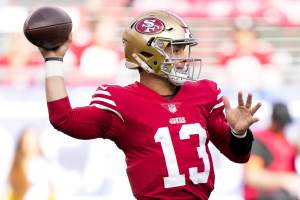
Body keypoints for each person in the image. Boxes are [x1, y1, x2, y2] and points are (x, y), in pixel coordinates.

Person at [38, 10, 261, 199]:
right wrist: (53, 61)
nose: (183, 56)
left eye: (184, 48)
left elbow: (239, 156)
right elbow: (64, 119)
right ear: (147, 53)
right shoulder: (122, 101)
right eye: (175, 49)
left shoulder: (204, 93)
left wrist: (239, 133)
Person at [244, 102, 300, 200]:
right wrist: (285, 180)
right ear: (274, 120)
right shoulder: (260, 141)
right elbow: (252, 177)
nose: (283, 127)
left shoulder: (287, 142)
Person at [8, 127, 56, 200]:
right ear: (21, 144)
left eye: (33, 143)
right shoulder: (14, 168)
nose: (30, 147)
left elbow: (51, 192)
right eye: (27, 143)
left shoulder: (45, 167)